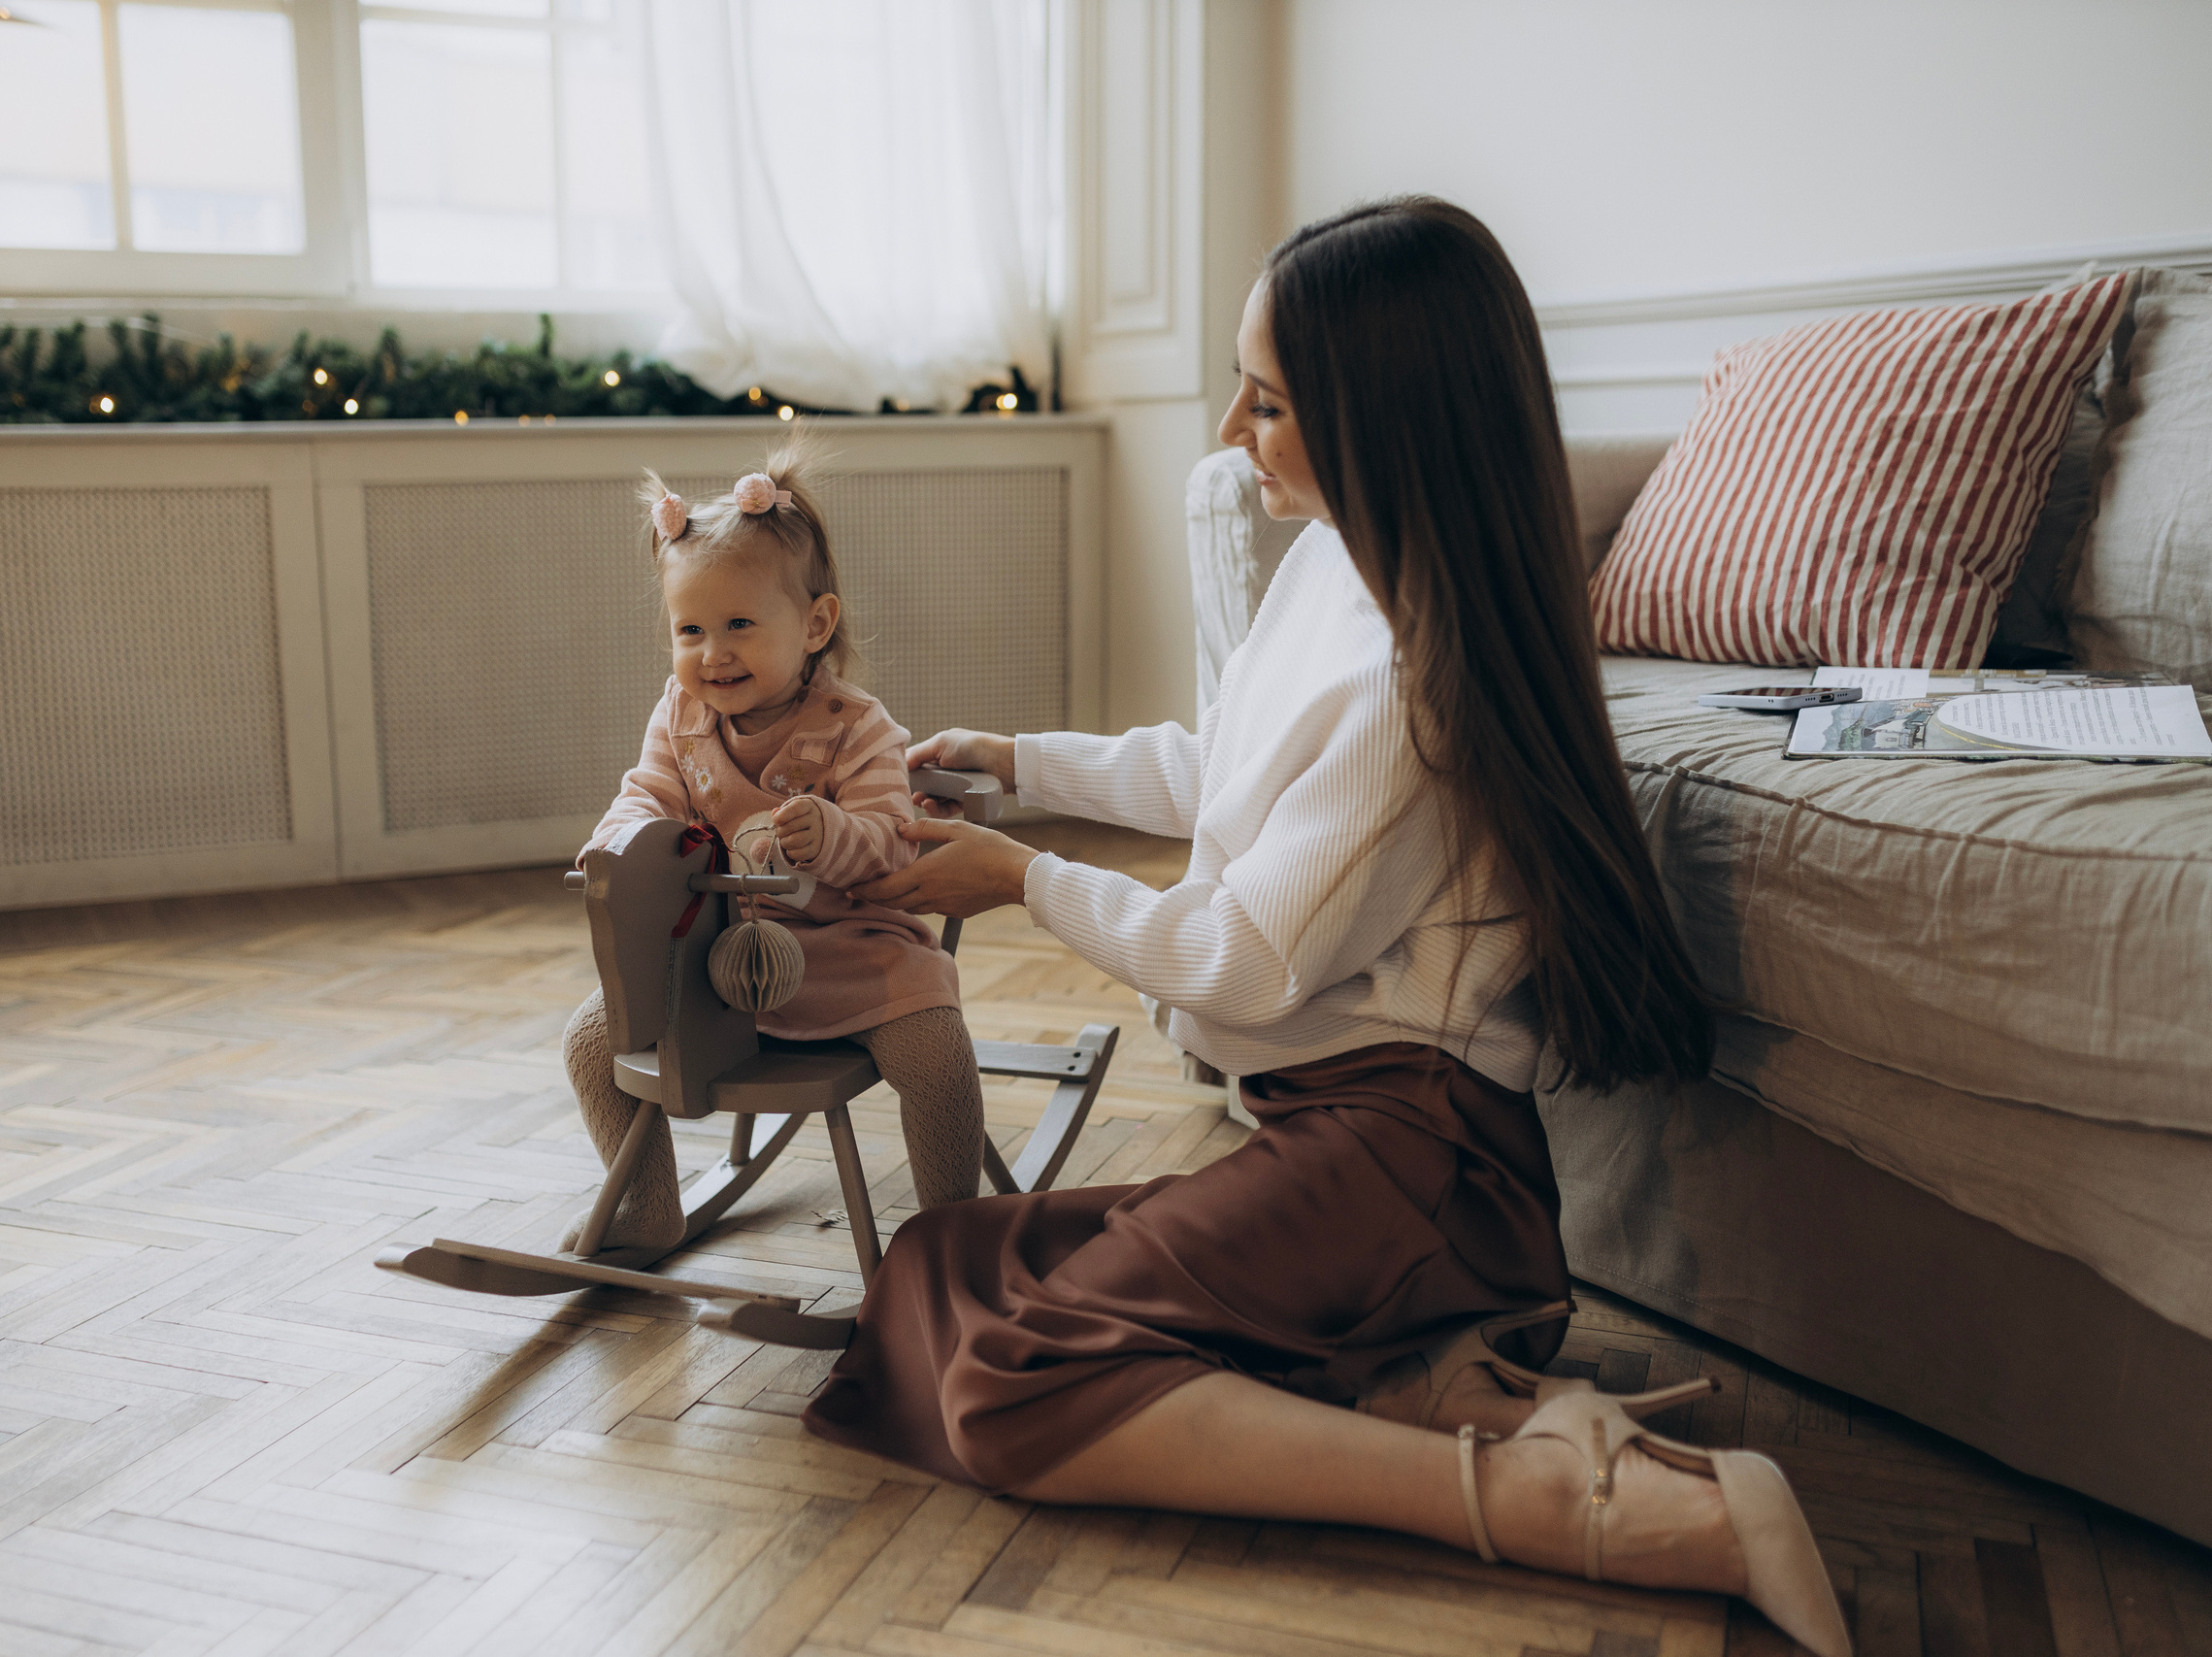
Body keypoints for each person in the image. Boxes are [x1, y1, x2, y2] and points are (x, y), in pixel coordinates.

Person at [809, 200, 1850, 1655]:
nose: (1233, 421)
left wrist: (1019, 873)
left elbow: (1236, 950)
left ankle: (1589, 1505)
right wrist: (1024, 762)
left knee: (1007, 1379)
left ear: (1384, 417)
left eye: (1273, 398)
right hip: (1334, 1135)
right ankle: (1416, 1372)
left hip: (1414, 1160)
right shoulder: (1331, 564)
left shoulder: (1412, 677)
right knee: (939, 1266)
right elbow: (1225, 770)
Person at [561, 444, 985, 1252]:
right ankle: (647, 1204)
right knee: (590, 1043)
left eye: (740, 626)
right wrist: (614, 842)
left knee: (936, 1051)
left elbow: (896, 845)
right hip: (718, 959)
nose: (712, 653)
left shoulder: (855, 727)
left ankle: (951, 1233)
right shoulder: (681, 717)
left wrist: (834, 834)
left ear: (814, 625)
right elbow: (646, 794)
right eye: (690, 629)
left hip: (849, 947)